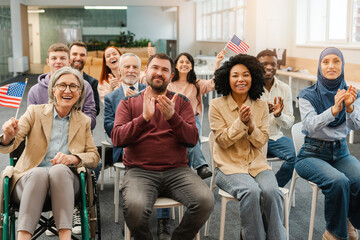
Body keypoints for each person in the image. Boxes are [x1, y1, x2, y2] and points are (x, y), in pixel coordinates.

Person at [111, 53, 214, 240]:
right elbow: (117, 139)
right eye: (155, 68)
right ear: (146, 72)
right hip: (140, 171)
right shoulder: (128, 103)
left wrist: (172, 117)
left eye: (165, 70)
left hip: (177, 171)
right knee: (134, 208)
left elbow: (192, 140)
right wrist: (143, 119)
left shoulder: (181, 102)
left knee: (205, 200)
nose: (159, 73)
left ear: (171, 75)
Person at [0, 67, 100, 240]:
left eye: (73, 86)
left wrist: (73, 158)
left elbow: (94, 156)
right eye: (62, 85)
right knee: (39, 173)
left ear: (79, 92)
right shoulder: (34, 112)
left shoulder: (83, 121)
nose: (68, 90)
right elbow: (11, 143)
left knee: (60, 169)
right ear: (53, 90)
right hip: (28, 180)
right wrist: (8, 136)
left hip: (66, 183)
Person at [209, 54, 286, 240]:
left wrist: (251, 126)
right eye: (235, 75)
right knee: (251, 191)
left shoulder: (260, 106)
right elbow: (222, 141)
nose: (241, 79)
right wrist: (240, 123)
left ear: (254, 78)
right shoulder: (216, 105)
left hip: (257, 166)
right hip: (228, 168)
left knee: (272, 193)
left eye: (246, 75)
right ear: (227, 79)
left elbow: (262, 141)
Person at [104, 53, 171, 239]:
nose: (131, 71)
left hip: (154, 146)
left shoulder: (151, 89)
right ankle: (135, 223)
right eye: (127, 67)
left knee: (168, 158)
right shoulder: (111, 98)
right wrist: (127, 109)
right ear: (119, 71)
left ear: (141, 71)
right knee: (140, 171)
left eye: (135, 67)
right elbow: (111, 129)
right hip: (125, 148)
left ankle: (163, 220)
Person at [296, 47, 360, 240]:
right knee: (338, 181)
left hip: (341, 152)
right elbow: (309, 125)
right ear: (319, 65)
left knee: (357, 179)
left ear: (342, 65)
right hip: (311, 154)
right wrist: (333, 110)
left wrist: (349, 107)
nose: (331, 66)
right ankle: (332, 234)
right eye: (326, 62)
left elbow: (355, 125)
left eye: (336, 61)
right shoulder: (307, 94)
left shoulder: (352, 93)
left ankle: (349, 219)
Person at [167, 52, 224, 179]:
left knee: (192, 133)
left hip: (191, 118)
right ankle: (197, 167)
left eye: (188, 62)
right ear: (175, 65)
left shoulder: (196, 83)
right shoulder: (168, 83)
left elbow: (214, 84)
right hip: (171, 119)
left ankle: (198, 167)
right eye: (181, 62)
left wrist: (217, 63)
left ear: (191, 67)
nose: (184, 64)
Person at [27, 43, 97, 130]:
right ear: (48, 62)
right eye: (54, 58)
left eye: (63, 58)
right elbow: (31, 121)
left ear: (69, 61)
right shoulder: (35, 91)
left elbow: (91, 120)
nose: (58, 61)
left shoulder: (85, 86)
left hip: (77, 139)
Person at [257, 49, 296, 187]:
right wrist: (261, 112)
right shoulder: (249, 87)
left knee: (296, 156)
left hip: (275, 137)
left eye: (273, 64)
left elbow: (289, 123)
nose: (269, 67)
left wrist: (279, 115)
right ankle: (258, 190)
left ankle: (274, 188)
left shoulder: (284, 89)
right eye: (264, 64)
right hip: (253, 139)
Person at [69, 41, 100, 116]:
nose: (78, 58)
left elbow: (96, 110)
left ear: (86, 58)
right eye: (74, 54)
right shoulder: (59, 79)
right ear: (68, 56)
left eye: (82, 55)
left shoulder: (92, 82)